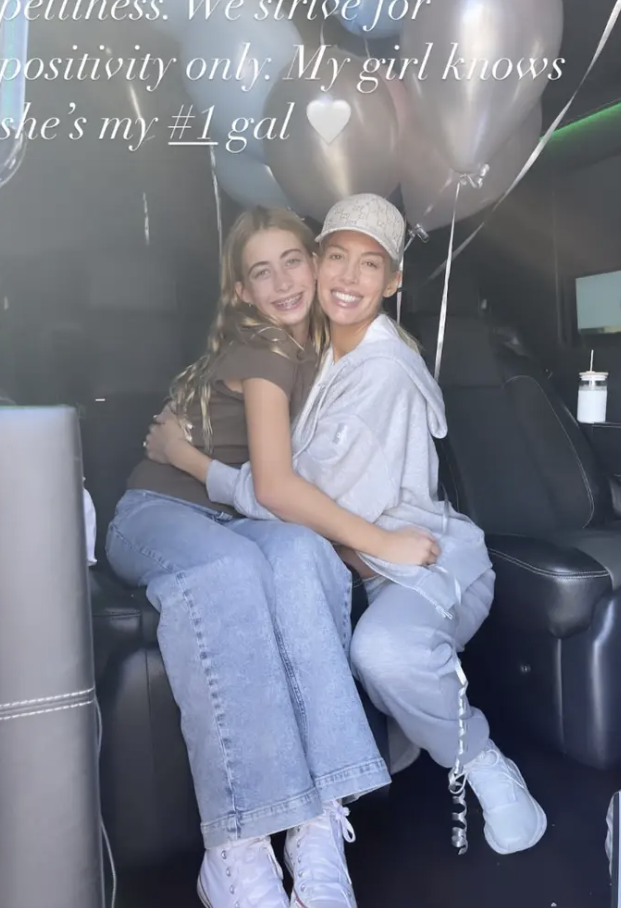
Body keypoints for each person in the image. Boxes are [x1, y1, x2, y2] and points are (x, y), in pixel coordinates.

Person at [150, 194, 547, 859]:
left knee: (382, 653)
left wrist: (189, 462)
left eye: (370, 266)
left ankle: (482, 763)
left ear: (392, 282)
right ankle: (382, 746)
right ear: (317, 261)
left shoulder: (383, 372)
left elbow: (286, 493)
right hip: (367, 562)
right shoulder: (314, 354)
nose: (347, 277)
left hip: (423, 563)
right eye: (336, 257)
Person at [107, 205, 439, 908]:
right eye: (264, 270)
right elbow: (281, 485)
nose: (287, 280)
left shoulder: (326, 349)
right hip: (158, 514)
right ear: (243, 291)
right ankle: (237, 850)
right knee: (228, 572)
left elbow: (284, 505)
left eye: (297, 259)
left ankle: (317, 821)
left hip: (231, 516)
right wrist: (382, 542)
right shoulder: (266, 348)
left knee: (303, 557)